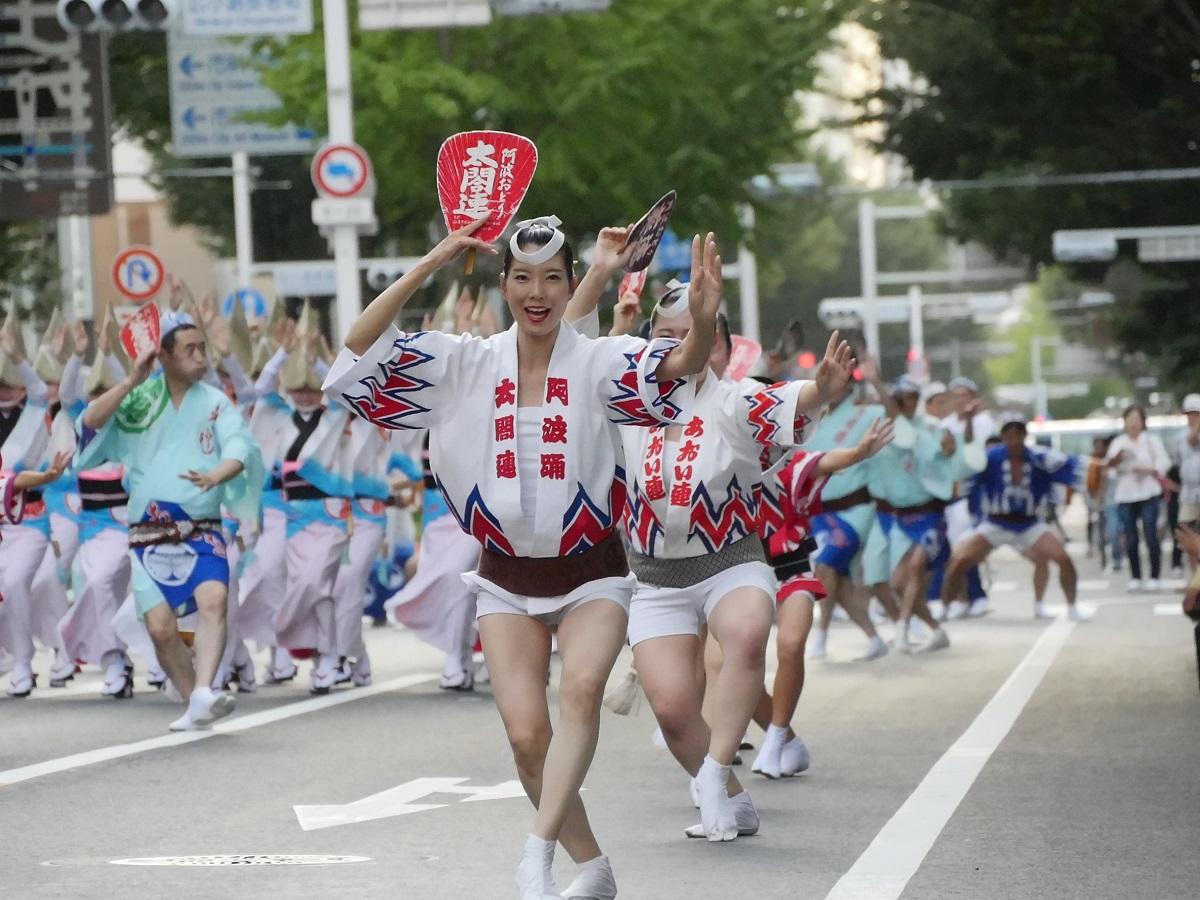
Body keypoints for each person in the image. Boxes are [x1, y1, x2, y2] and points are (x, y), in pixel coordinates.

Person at [325, 214, 719, 900]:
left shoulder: (600, 360)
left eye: (552, 279)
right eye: (523, 278)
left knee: (582, 690)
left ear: (571, 287)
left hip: (592, 572)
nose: (537, 292)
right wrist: (433, 260)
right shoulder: (462, 361)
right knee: (526, 738)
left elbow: (679, 367)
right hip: (504, 581)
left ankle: (536, 850)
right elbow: (358, 349)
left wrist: (706, 323)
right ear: (504, 285)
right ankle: (592, 865)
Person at [77, 311, 263, 731]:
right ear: (162, 356)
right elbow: (89, 425)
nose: (201, 357)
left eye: (203, 348)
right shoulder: (140, 399)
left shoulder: (215, 402)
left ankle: (203, 691)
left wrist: (219, 472)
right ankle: (193, 699)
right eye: (190, 350)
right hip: (149, 532)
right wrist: (129, 381)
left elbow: (241, 443)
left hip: (202, 527)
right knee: (161, 629)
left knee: (213, 600)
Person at [753, 420, 894, 779]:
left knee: (791, 644)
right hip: (740, 576)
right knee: (735, 673)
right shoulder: (725, 466)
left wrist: (861, 452)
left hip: (793, 568)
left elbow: (827, 461)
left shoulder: (794, 466)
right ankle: (789, 743)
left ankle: (776, 737)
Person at [942, 412, 1086, 620]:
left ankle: (1066, 607)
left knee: (1062, 558)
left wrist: (1098, 468)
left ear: (1025, 436)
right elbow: (966, 474)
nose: (1014, 440)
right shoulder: (990, 458)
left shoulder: (1039, 458)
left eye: (1018, 434)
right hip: (995, 523)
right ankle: (947, 606)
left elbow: (1071, 465)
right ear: (1003, 437)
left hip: (1029, 524)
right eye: (1009, 435)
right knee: (959, 560)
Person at [803, 379, 891, 660]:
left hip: (855, 510)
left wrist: (875, 378)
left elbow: (895, 418)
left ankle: (820, 635)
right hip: (819, 511)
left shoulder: (867, 413)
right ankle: (874, 638)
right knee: (837, 584)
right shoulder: (813, 417)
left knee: (826, 567)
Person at [1105, 405, 1171, 591]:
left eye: (1137, 419)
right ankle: (1135, 576)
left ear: (1143, 422)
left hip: (1148, 492)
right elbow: (1109, 469)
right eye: (1130, 419)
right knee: (1130, 537)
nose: (1133, 423)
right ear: (1124, 422)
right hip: (1125, 495)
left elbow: (1164, 462)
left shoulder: (1152, 440)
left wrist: (1149, 469)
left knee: (1151, 534)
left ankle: (1154, 576)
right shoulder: (1118, 443)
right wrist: (1121, 466)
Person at [1177, 394, 1200, 546]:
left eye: (1195, 414)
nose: (1192, 417)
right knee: (1186, 533)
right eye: (1189, 414)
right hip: (1188, 492)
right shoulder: (1181, 436)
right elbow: (1191, 441)